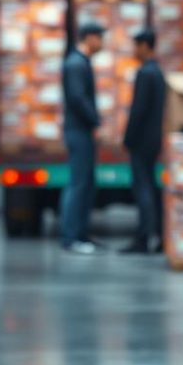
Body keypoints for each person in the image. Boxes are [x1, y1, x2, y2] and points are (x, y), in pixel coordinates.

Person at [60, 22, 104, 254]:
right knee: (78, 183)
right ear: (88, 38)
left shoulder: (81, 62)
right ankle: (71, 238)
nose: (102, 42)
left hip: (81, 130)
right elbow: (77, 98)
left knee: (86, 183)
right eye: (99, 37)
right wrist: (95, 122)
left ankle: (82, 234)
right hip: (78, 131)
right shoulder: (76, 63)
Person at [122, 28, 166, 254]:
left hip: (141, 141)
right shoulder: (158, 72)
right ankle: (157, 237)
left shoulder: (145, 73)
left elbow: (137, 111)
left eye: (136, 46)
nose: (134, 51)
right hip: (154, 140)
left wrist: (127, 139)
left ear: (145, 46)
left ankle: (143, 238)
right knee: (150, 186)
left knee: (143, 189)